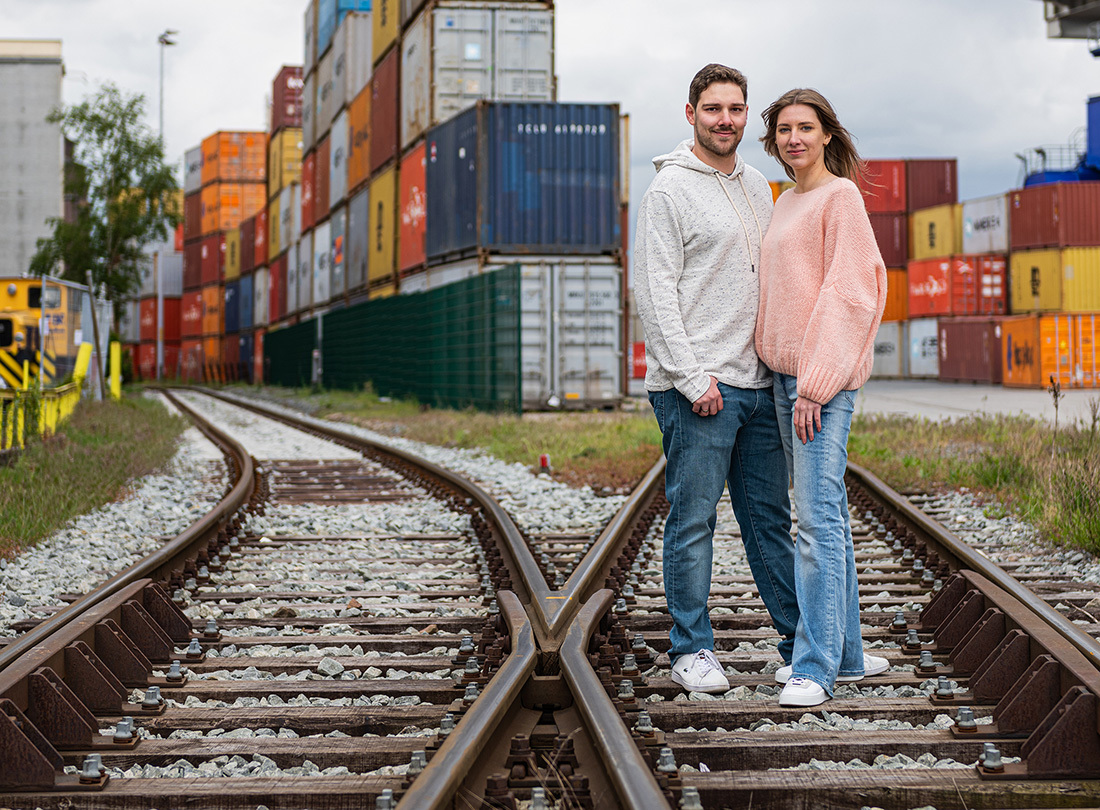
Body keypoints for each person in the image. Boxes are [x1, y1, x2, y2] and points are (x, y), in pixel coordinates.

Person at [634, 64, 800, 694]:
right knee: (694, 520)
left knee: (769, 521)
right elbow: (654, 294)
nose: (725, 120)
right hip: (698, 389)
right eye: (713, 110)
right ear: (690, 114)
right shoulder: (668, 193)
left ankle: (797, 641)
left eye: (735, 110)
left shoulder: (760, 185)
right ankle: (691, 649)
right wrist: (690, 377)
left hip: (759, 385)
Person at [755, 88, 889, 707]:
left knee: (813, 520)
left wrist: (815, 383)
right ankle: (850, 655)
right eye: (784, 129)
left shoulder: (840, 197)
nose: (794, 139)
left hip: (819, 386)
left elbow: (853, 293)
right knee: (822, 516)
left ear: (828, 134)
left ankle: (814, 665)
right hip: (786, 379)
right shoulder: (785, 202)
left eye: (805, 127)